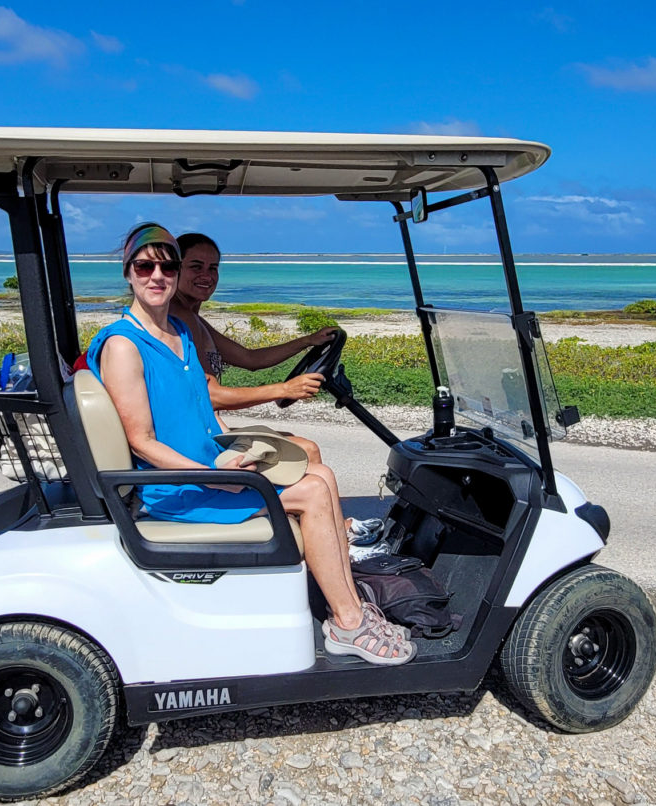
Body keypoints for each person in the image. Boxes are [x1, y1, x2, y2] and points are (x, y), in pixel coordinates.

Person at [87, 223, 413, 665]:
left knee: (317, 469)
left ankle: (343, 590)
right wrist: (216, 477)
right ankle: (348, 623)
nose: (157, 276)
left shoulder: (179, 335)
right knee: (313, 489)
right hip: (178, 489)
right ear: (129, 272)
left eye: (167, 266)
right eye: (146, 266)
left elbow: (203, 412)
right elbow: (141, 442)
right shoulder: (125, 346)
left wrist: (230, 454)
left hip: (209, 470)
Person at [170, 232, 381, 543]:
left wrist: (307, 342)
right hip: (199, 440)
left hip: (210, 430)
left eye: (213, 268)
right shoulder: (178, 319)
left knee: (305, 447)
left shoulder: (193, 318)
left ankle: (333, 533)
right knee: (306, 449)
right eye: (196, 266)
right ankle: (333, 536)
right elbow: (209, 395)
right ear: (175, 269)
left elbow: (249, 358)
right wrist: (284, 389)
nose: (206, 276)